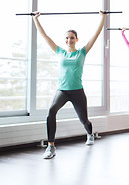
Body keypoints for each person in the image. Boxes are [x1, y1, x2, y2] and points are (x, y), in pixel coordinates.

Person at [32, 11, 107, 159]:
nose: (69, 40)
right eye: (67, 38)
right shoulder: (60, 51)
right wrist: (36, 19)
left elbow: (96, 35)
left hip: (77, 91)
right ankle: (51, 146)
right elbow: (45, 36)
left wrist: (103, 17)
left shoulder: (82, 52)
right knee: (51, 112)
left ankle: (90, 134)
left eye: (72, 38)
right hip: (62, 90)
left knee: (84, 120)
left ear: (76, 39)